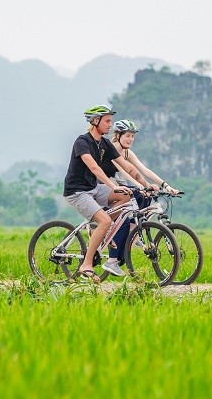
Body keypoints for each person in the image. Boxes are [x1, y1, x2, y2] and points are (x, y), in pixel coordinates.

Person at [63, 105, 152, 282]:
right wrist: (113, 186)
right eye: (107, 121)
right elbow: (94, 168)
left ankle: (105, 228)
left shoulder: (104, 144)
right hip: (77, 191)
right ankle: (86, 265)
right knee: (104, 219)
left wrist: (147, 185)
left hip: (94, 189)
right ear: (95, 121)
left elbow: (128, 167)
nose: (110, 125)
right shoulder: (82, 142)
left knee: (127, 196)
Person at [101, 119, 180, 268]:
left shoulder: (127, 152)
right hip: (104, 186)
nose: (131, 139)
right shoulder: (112, 149)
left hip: (119, 185)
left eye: (132, 136)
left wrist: (165, 185)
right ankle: (130, 228)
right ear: (118, 135)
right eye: (127, 136)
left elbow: (143, 171)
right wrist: (140, 186)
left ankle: (133, 229)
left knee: (146, 195)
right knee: (139, 193)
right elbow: (126, 172)